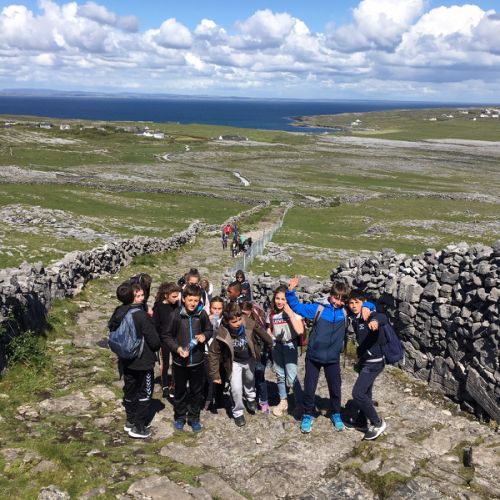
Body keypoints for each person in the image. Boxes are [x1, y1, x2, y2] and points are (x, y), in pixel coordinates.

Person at [285, 276, 350, 434]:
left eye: (342, 299)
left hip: (333, 358)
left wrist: (372, 312)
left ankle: (336, 413)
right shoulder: (318, 308)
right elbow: (298, 308)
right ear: (331, 295)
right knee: (309, 388)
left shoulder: (345, 311)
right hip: (313, 356)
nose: (338, 302)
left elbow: (364, 307)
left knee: (335, 388)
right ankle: (308, 414)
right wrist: (290, 291)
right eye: (336, 298)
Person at [108, 281, 161, 439]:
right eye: (138, 295)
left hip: (125, 359)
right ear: (132, 297)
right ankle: (139, 427)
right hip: (143, 360)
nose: (142, 298)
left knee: (130, 390)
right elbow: (155, 342)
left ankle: (130, 420)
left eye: (142, 295)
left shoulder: (119, 311)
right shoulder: (141, 315)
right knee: (145, 392)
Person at [208, 302, 272, 427]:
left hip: (249, 359)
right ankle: (238, 412)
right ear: (227, 321)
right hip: (233, 363)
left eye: (239, 319)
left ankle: (251, 398)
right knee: (236, 388)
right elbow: (213, 352)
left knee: (250, 380)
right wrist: (215, 374)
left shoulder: (247, 322)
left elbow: (261, 331)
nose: (238, 323)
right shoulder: (222, 332)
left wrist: (269, 344)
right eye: (234, 322)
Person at [165, 284, 213, 432]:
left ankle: (194, 418)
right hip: (180, 362)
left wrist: (204, 336)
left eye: (196, 300)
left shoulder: (202, 314)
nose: (193, 303)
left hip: (197, 361)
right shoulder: (175, 315)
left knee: (196, 392)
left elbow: (209, 330)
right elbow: (166, 336)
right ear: (183, 299)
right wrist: (177, 348)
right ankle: (180, 417)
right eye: (190, 300)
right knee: (179, 391)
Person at [346, 289, 387, 440]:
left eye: (357, 302)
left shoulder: (369, 314)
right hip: (365, 360)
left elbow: (382, 317)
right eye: (351, 303)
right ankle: (362, 421)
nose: (353, 305)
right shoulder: (355, 316)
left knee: (358, 393)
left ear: (363, 302)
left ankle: (378, 423)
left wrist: (374, 320)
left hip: (374, 362)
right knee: (366, 393)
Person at [268, 285, 304, 417]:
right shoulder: (272, 313)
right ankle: (283, 401)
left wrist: (290, 314)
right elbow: (270, 327)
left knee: (292, 376)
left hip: (290, 345)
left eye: (283, 299)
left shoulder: (294, 312)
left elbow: (300, 330)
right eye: (277, 298)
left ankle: (300, 404)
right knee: (279, 375)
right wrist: (270, 336)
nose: (279, 301)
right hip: (277, 346)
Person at [241, 301, 271, 413]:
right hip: (248, 353)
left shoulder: (256, 322)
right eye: (241, 313)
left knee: (260, 377)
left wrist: (264, 353)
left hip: (260, 353)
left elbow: (265, 338)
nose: (243, 316)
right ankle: (252, 398)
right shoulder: (239, 321)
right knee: (249, 377)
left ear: (250, 312)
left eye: (245, 313)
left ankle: (264, 402)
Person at [153, 282, 181, 399]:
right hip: (164, 340)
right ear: (166, 295)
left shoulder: (176, 305)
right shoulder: (158, 307)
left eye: (177, 296)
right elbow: (155, 324)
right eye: (174, 296)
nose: (177, 298)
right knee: (164, 363)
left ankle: (174, 385)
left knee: (176, 362)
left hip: (175, 339)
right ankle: (165, 386)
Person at [204, 296, 224, 410]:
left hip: (220, 353)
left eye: (219, 308)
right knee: (209, 376)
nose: (216, 311)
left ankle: (219, 398)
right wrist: (207, 321)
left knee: (221, 376)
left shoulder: (225, 320)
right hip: (207, 351)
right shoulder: (206, 318)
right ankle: (208, 399)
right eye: (214, 308)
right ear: (210, 308)